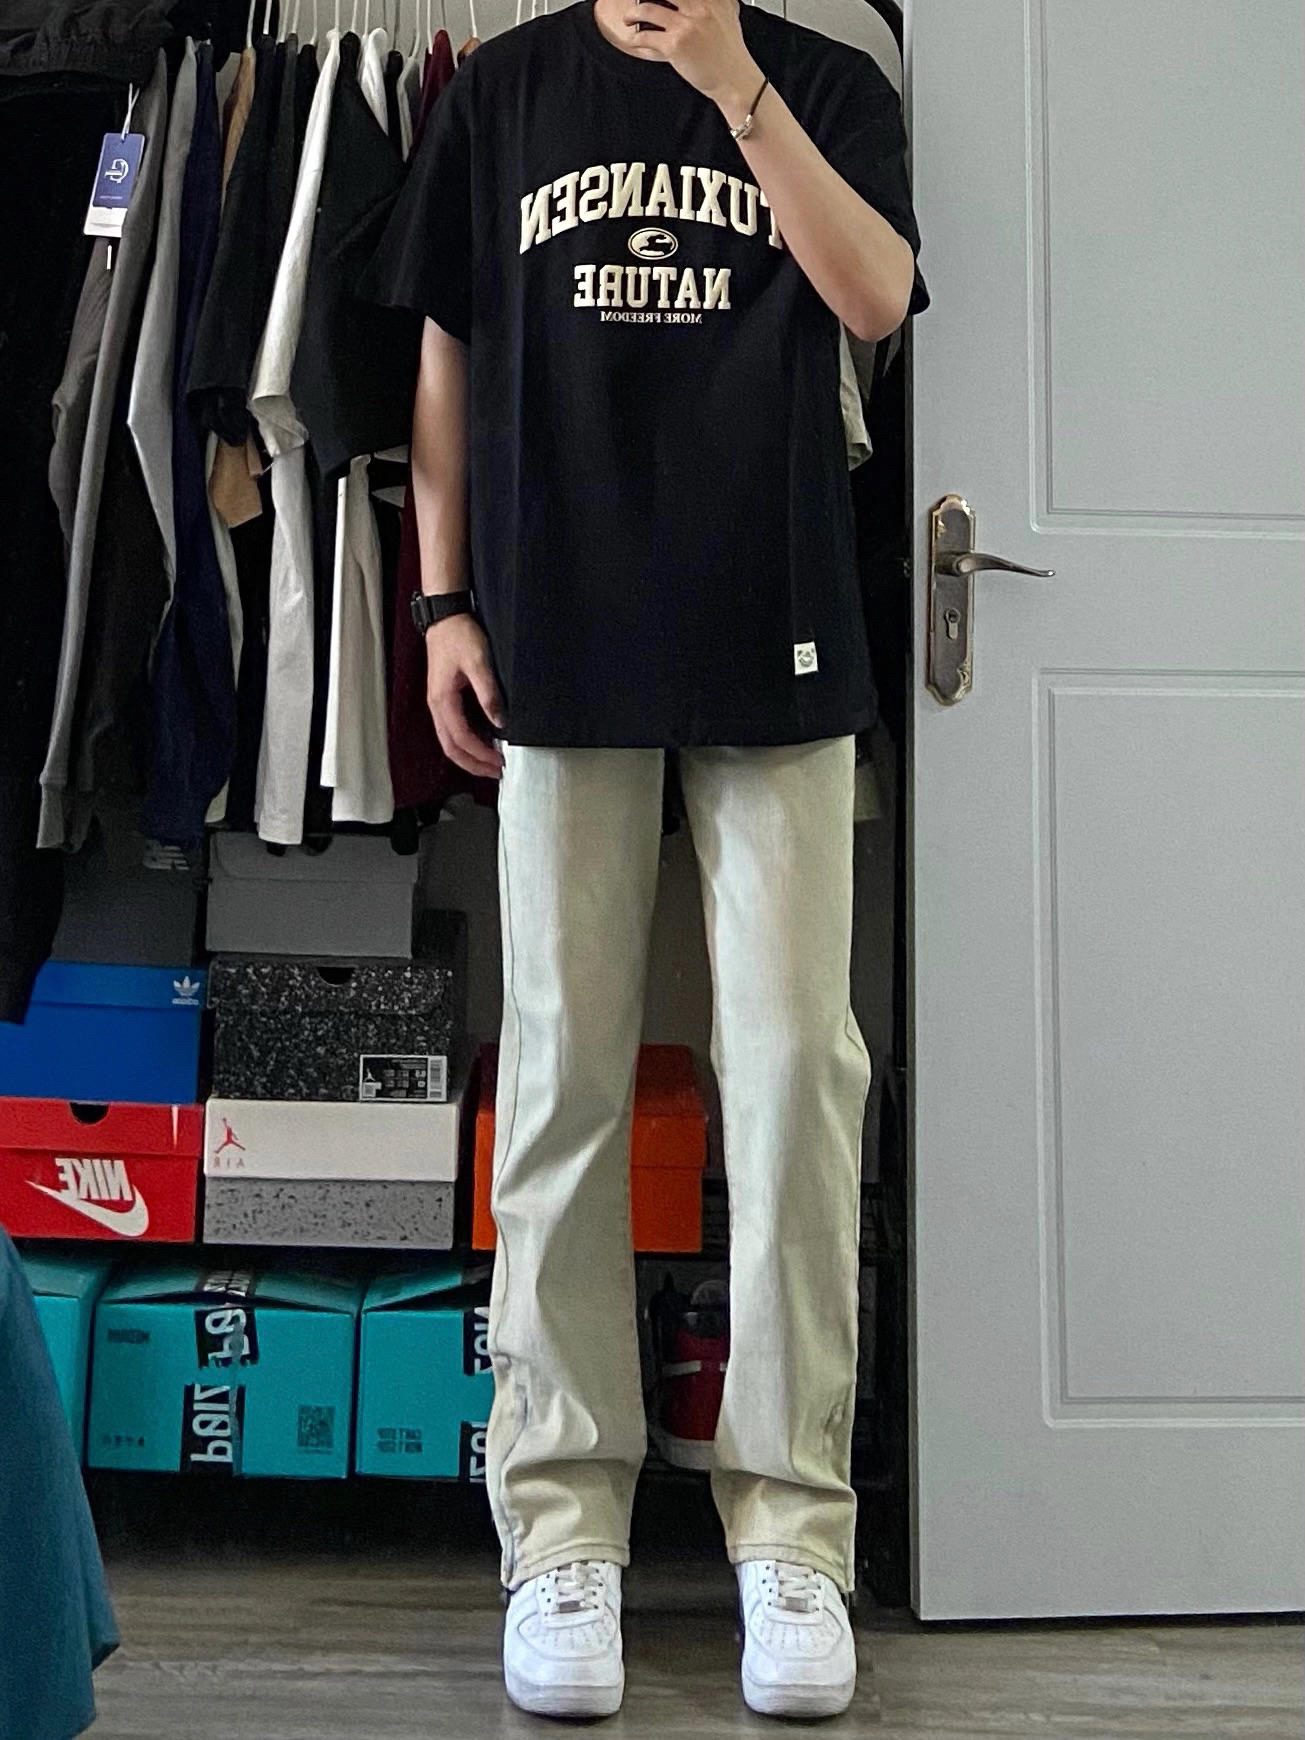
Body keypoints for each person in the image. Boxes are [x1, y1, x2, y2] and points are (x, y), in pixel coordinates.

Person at [367, 0, 927, 1718]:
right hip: (559, 634)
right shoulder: (505, 89)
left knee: (795, 1077)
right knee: (559, 1083)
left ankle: (792, 1530)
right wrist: (440, 602)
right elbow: (446, 356)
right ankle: (559, 1528)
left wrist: (730, 84)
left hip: (779, 631)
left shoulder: (827, 81)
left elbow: (875, 300)